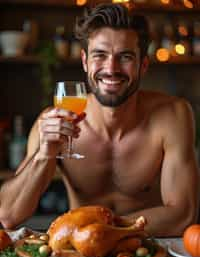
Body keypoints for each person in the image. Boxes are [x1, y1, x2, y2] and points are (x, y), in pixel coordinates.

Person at [0, 3, 199, 236]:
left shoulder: (173, 115)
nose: (111, 68)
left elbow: (183, 214)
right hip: (82, 252)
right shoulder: (54, 121)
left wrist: (101, 228)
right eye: (100, 55)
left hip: (145, 250)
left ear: (142, 65)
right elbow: (8, 215)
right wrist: (44, 155)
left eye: (124, 56)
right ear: (85, 61)